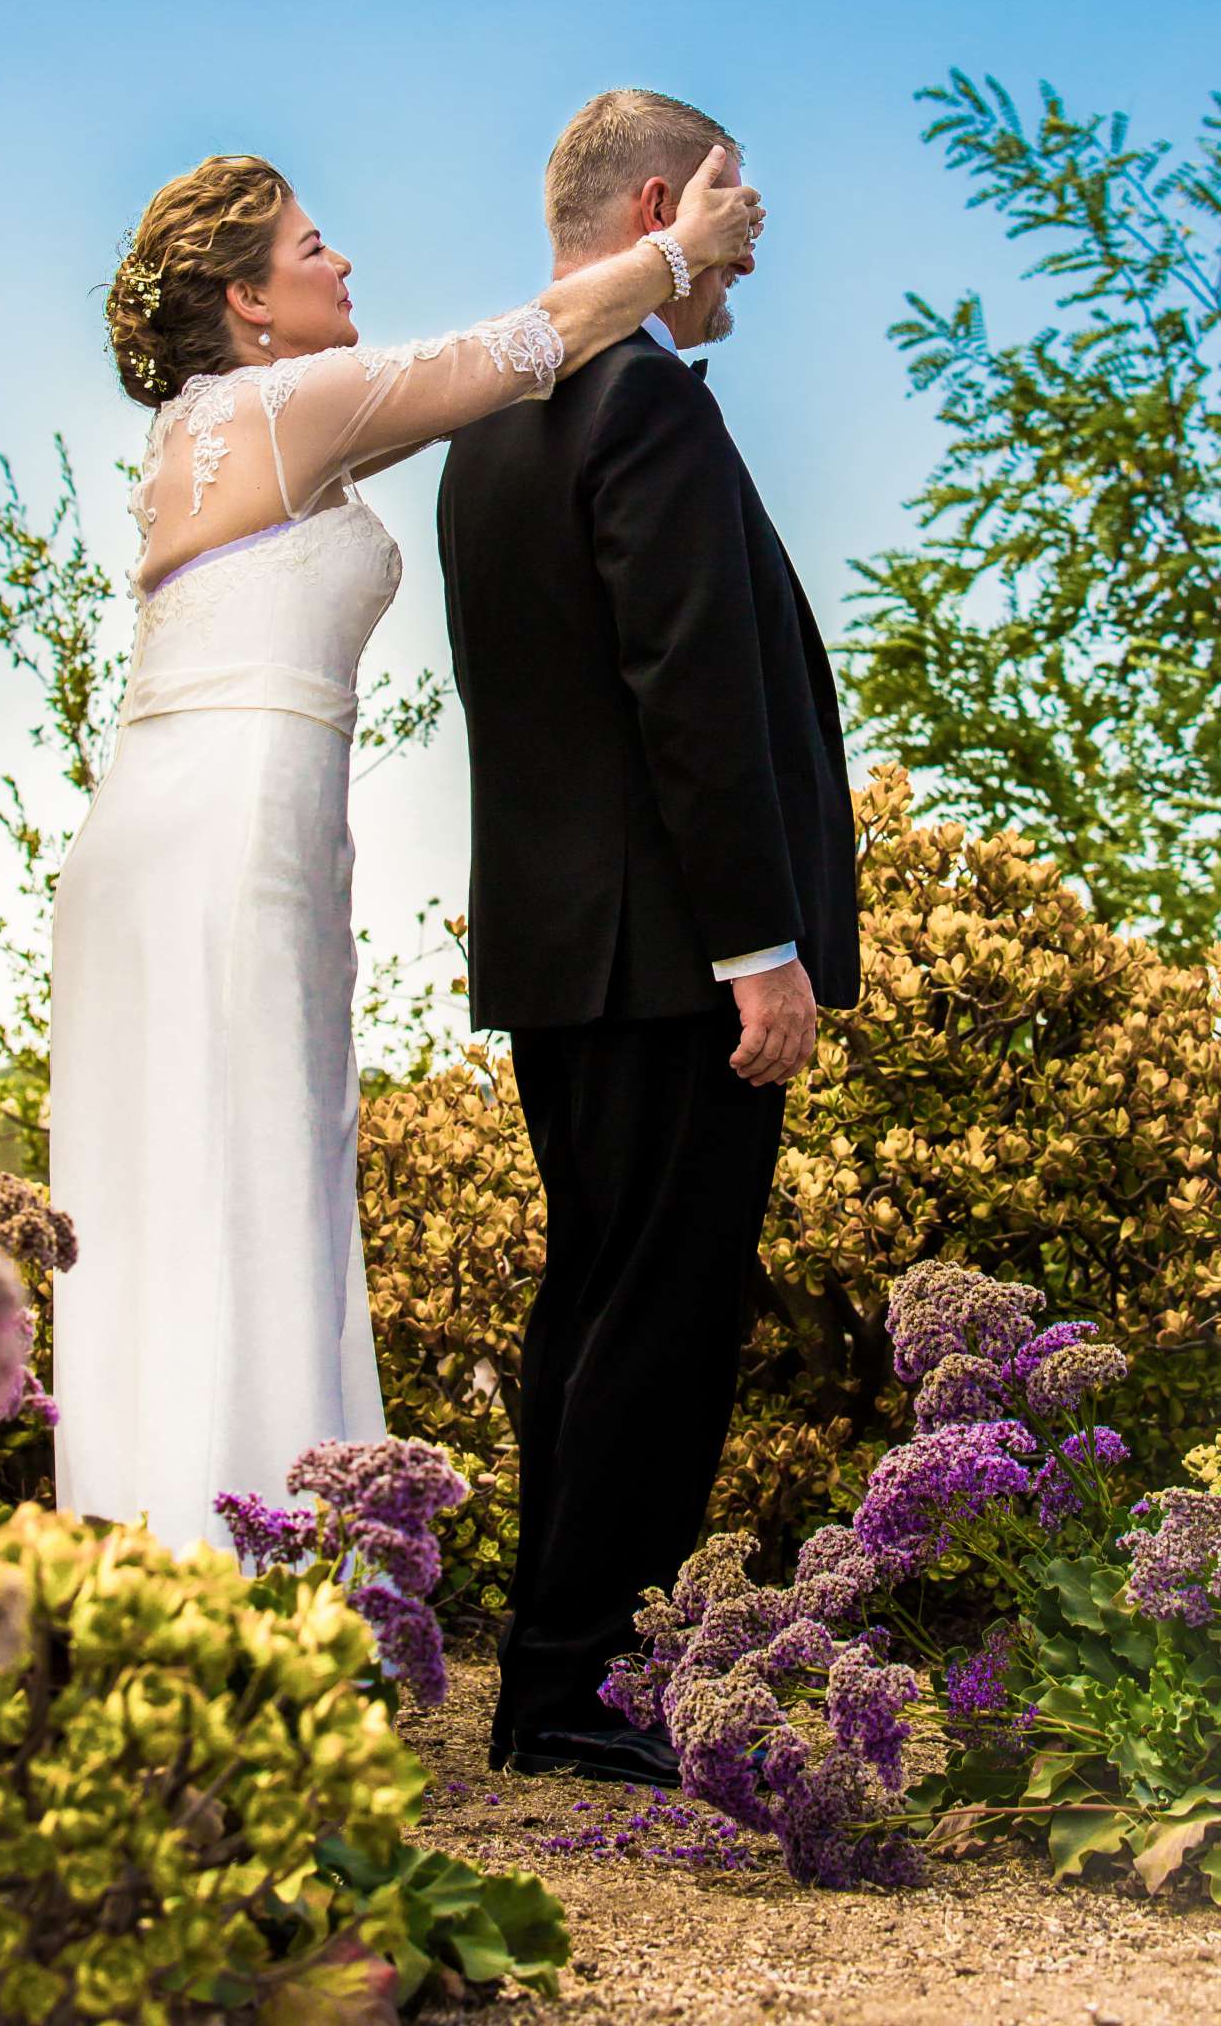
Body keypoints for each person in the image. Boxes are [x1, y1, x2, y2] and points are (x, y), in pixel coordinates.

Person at [49, 144, 763, 1546]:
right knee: (250, 1174)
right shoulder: (286, 406)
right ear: (251, 306)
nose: (345, 264)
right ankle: (252, 1579)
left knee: (175, 1193)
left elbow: (498, 375)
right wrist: (682, 252)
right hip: (236, 823)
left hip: (155, 819)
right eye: (314, 249)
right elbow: (519, 347)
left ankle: (172, 1560)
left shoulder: (224, 426)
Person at [436, 88, 860, 1784]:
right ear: (660, 209)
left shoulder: (491, 430)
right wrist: (759, 945)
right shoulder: (647, 407)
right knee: (662, 1315)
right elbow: (692, 694)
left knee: (593, 1304)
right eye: (737, 212)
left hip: (565, 955)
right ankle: (578, 1691)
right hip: (677, 954)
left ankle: (556, 1671)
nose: (751, 254)